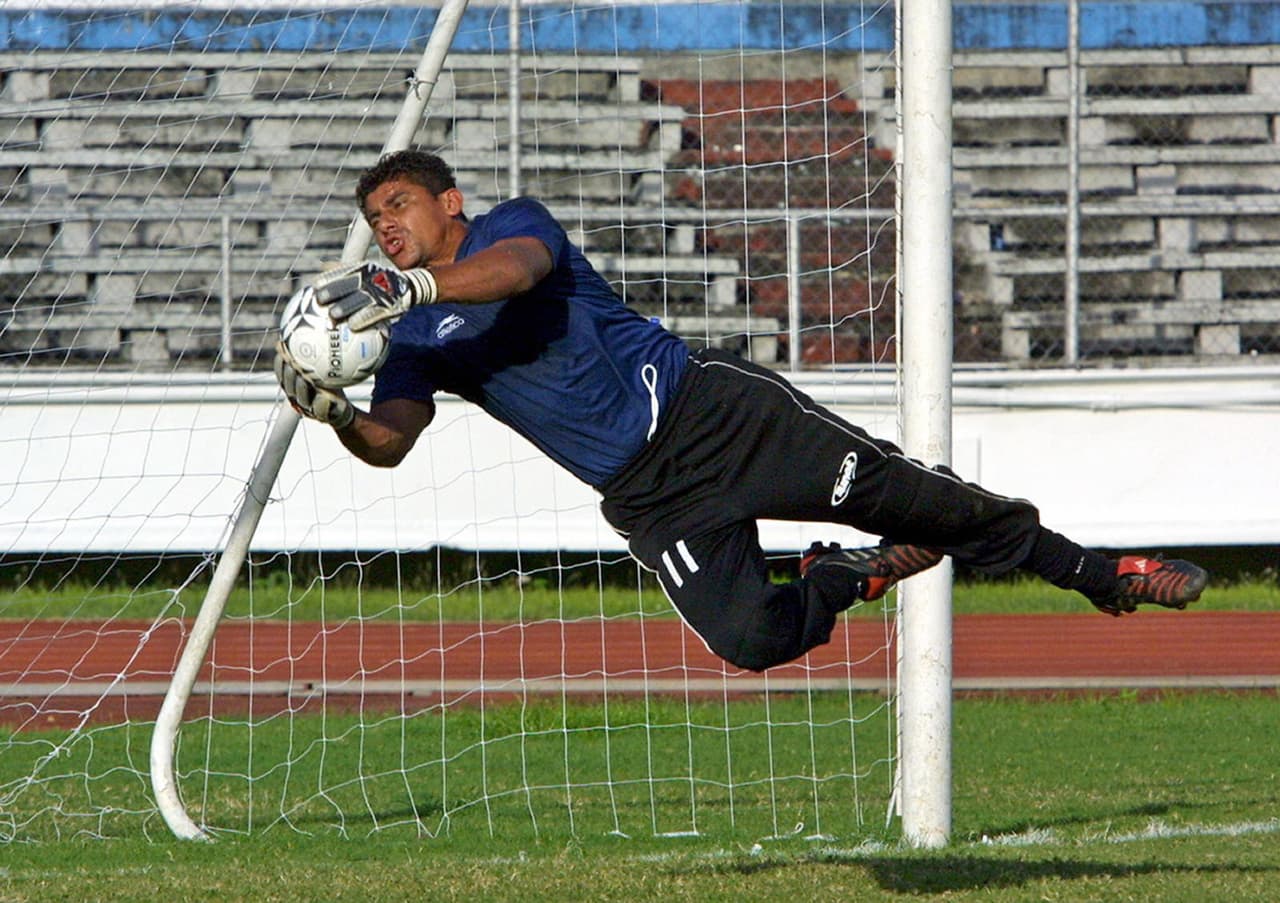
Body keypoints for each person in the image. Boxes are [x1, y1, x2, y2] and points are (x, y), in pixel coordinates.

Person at [274, 149, 1208, 672]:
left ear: (450, 202)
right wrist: (338, 416)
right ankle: (844, 577)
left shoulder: (513, 226)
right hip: (649, 496)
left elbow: (514, 277)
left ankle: (1098, 569)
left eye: (400, 206)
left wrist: (416, 285)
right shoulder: (414, 338)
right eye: (376, 220)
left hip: (709, 412)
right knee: (752, 641)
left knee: (915, 498)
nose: (387, 227)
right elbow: (392, 440)